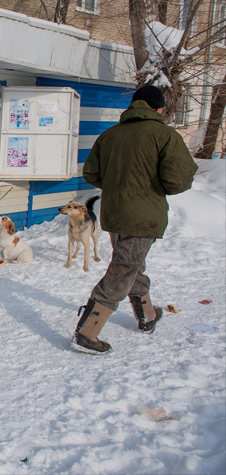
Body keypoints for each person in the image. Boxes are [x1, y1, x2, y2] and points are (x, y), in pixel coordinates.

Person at [72, 85, 198, 354]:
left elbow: (91, 173)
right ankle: (88, 331)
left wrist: (118, 186)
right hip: (144, 216)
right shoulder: (165, 135)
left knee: (130, 263)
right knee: (124, 267)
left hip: (114, 213)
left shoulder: (110, 135)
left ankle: (148, 316)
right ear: (159, 108)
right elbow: (178, 180)